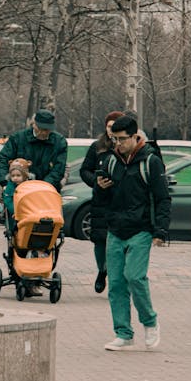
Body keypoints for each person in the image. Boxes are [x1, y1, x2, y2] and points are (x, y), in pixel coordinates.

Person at [97, 114, 171, 351]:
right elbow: (102, 198)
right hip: (115, 229)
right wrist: (100, 188)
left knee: (135, 276)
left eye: (121, 139)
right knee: (117, 283)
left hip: (141, 229)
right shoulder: (110, 161)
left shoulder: (151, 161)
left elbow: (163, 198)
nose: (118, 144)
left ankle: (150, 322)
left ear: (135, 136)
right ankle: (123, 333)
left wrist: (160, 230)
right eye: (114, 139)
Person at [80, 110, 124, 293]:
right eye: (109, 126)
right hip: (101, 200)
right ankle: (102, 271)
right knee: (100, 240)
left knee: (120, 241)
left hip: (121, 200)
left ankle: (116, 276)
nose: (111, 131)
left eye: (115, 127)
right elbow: (85, 170)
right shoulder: (97, 146)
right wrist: (96, 182)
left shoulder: (126, 145)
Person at [0, 110, 67, 193]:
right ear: (33, 124)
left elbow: (58, 169)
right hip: (18, 190)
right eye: (40, 129)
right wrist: (6, 183)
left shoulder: (59, 141)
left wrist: (43, 187)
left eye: (47, 130)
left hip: (47, 190)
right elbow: (2, 161)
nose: (43, 132)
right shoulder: (18, 138)